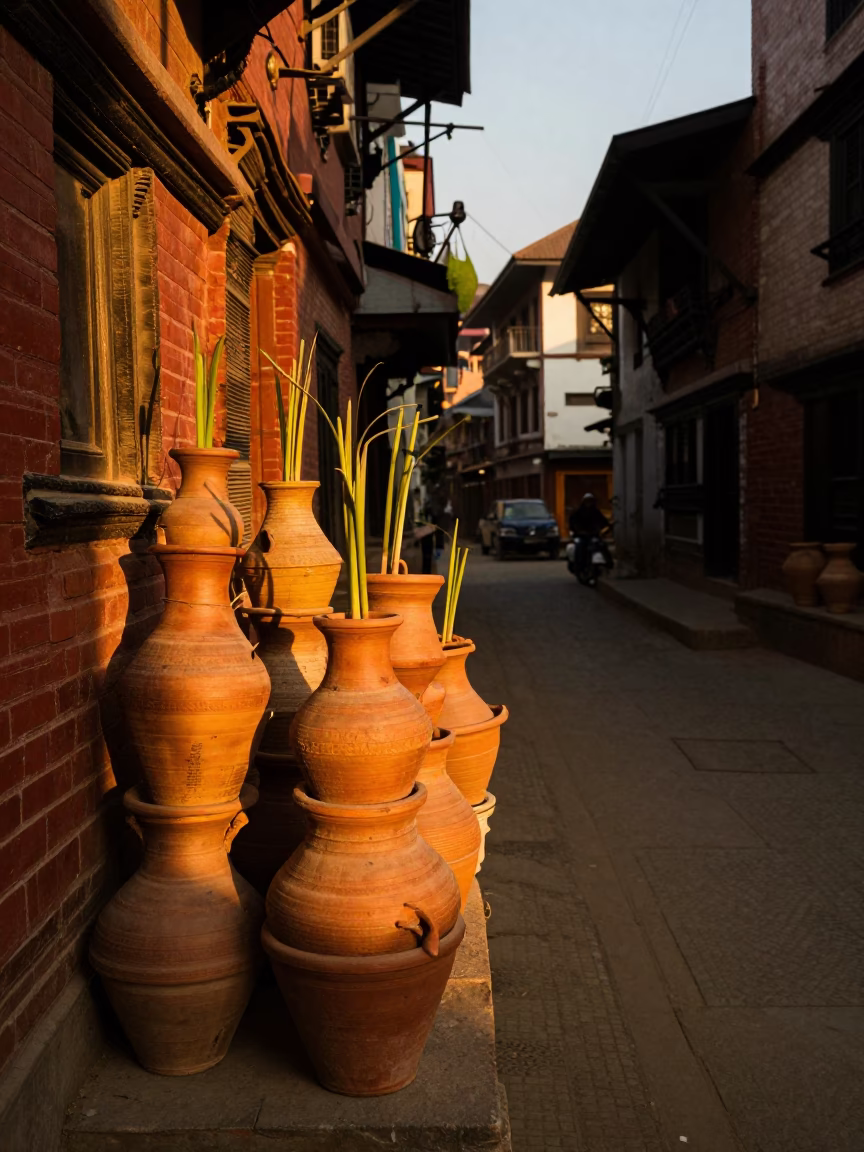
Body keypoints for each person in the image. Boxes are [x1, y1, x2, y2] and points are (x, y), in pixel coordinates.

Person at [568, 494, 612, 570]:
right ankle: (578, 566)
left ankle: (609, 564)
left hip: (593, 535)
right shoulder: (578, 513)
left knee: (602, 545)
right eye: (587, 501)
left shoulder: (596, 512)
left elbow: (603, 522)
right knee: (580, 547)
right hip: (582, 536)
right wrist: (578, 531)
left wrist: (607, 526)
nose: (589, 503)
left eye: (590, 501)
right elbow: (573, 523)